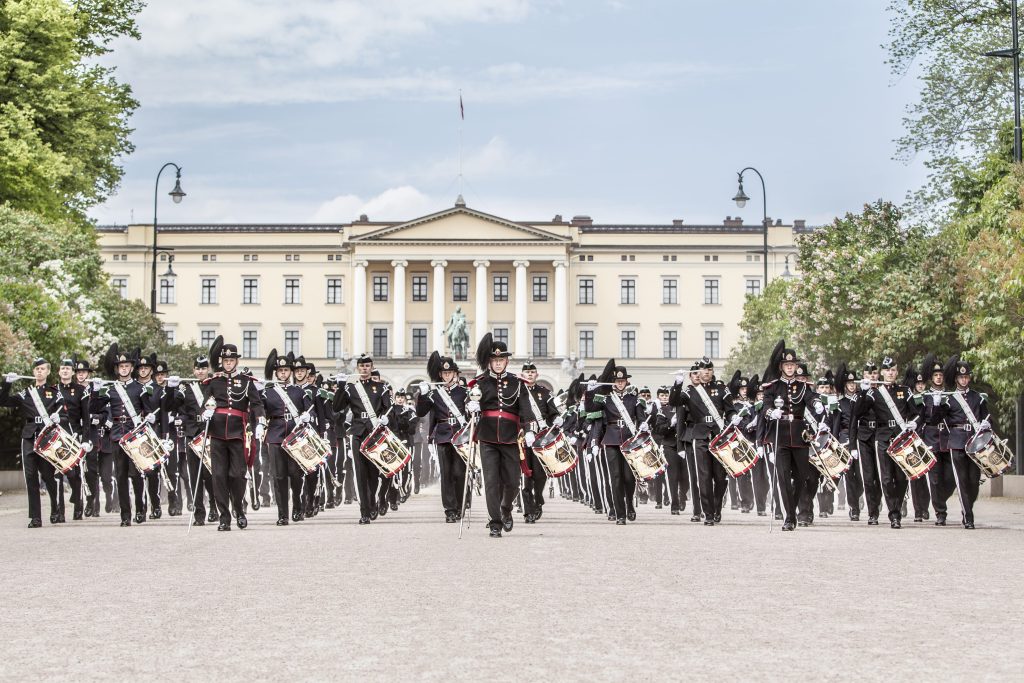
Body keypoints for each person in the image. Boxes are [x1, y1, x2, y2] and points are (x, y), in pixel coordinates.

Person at [466, 334, 537, 537]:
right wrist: (470, 406)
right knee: (491, 481)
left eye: (501, 360)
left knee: (513, 481)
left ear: (507, 361)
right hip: (487, 437)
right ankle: (495, 521)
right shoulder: (479, 383)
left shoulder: (517, 383)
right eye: (494, 360)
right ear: (490, 361)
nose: (498, 363)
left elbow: (525, 409)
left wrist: (530, 430)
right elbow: (470, 407)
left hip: (510, 437)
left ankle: (506, 508)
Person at [1, 360, 76, 527]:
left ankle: (55, 509)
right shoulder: (26, 393)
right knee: (31, 478)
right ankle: (35, 517)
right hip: (29, 436)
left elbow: (65, 415)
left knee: (49, 477)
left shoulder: (54, 392)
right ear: (34, 372)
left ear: (48, 372)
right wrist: (6, 384)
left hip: (47, 437)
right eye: (37, 369)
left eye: (42, 369)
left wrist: (59, 418)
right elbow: (3, 401)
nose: (39, 372)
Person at [759, 343, 825, 532]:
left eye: (793, 365)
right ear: (781, 366)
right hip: (780, 435)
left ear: (796, 366)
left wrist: (817, 404)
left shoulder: (803, 387)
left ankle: (792, 509)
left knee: (801, 476)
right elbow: (765, 407)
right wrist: (772, 412)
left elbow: (810, 398)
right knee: (783, 479)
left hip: (799, 435)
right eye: (786, 365)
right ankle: (789, 516)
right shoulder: (772, 386)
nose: (790, 367)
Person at [202, 339, 266, 531]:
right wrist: (204, 412)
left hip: (239, 433)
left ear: (236, 361)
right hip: (218, 433)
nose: (228, 363)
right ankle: (224, 517)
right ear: (221, 361)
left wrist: (260, 422)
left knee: (237, 475)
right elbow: (205, 403)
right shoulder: (213, 383)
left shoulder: (247, 382)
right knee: (219, 476)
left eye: (231, 360)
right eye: (225, 360)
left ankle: (238, 507)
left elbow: (256, 403)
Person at [852, 356, 919, 529]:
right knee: (886, 478)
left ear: (897, 372)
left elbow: (916, 413)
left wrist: (914, 422)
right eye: (887, 370)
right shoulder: (875, 393)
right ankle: (894, 515)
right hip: (882, 437)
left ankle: (896, 506)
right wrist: (863, 392)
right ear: (882, 372)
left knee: (902, 478)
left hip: (901, 438)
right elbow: (858, 411)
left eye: (893, 370)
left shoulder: (905, 391)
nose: (890, 373)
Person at [669, 357, 735, 526]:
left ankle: (717, 506)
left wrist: (734, 417)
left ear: (712, 371)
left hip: (718, 436)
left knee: (720, 478)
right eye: (703, 369)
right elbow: (674, 402)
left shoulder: (721, 388)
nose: (706, 372)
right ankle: (709, 513)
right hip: (700, 436)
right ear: (698, 372)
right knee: (703, 477)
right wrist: (677, 384)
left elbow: (730, 409)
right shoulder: (690, 391)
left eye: (709, 369)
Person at [332, 354, 393, 525]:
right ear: (357, 368)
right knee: (360, 473)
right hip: (358, 432)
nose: (364, 369)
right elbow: (337, 407)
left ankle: (372, 501)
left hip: (374, 433)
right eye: (361, 366)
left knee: (373, 473)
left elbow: (389, 409)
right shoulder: (351, 388)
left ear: (371, 367)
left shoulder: (381, 387)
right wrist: (341, 387)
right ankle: (364, 511)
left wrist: (386, 419)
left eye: (367, 366)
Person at [585, 361, 648, 526]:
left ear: (627, 381)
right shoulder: (606, 397)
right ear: (613, 381)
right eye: (617, 380)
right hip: (612, 439)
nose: (620, 383)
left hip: (629, 439)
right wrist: (590, 392)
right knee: (616, 477)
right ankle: (620, 513)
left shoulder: (633, 398)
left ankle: (629, 505)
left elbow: (640, 416)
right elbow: (591, 410)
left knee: (629, 477)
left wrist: (642, 424)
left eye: (623, 380)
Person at [261, 350, 313, 525]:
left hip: (295, 435)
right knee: (279, 476)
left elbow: (309, 409)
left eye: (286, 370)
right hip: (275, 434)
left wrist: (307, 416)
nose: (283, 373)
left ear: (290, 372)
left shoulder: (298, 391)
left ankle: (297, 506)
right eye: (280, 371)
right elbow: (261, 411)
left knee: (295, 474)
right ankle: (283, 514)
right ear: (276, 372)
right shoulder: (268, 392)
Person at [416, 352, 469, 522]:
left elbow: (471, 415)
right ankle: (450, 510)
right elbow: (421, 412)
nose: (447, 376)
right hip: (443, 436)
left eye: (450, 373)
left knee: (460, 473)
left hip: (460, 436)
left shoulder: (464, 392)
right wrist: (423, 395)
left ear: (455, 374)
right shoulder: (434, 394)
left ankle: (460, 505)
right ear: (440, 374)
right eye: (444, 373)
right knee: (446, 474)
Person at [944, 360, 988, 529]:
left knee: (973, 481)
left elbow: (986, 417)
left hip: (975, 442)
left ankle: (968, 506)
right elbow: (940, 420)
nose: (964, 380)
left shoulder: (978, 397)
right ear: (956, 379)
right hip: (957, 441)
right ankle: (968, 515)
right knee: (961, 480)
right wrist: (936, 404)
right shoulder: (949, 399)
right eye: (961, 377)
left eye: (966, 377)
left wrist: (986, 424)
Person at [520, 361, 559, 523]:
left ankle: (538, 500)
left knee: (540, 474)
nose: (530, 374)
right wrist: (524, 429)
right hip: (523, 438)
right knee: (527, 474)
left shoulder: (545, 393)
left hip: (541, 438)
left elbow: (552, 413)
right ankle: (528, 511)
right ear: (523, 375)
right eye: (527, 372)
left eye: (533, 372)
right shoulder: (518, 393)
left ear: (537, 374)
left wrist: (557, 419)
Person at [53, 358, 87, 520]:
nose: (65, 371)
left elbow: (85, 417)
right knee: (58, 473)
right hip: (58, 434)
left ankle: (78, 504)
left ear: (72, 372)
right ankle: (59, 511)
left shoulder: (80, 390)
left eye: (68, 368)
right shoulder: (53, 389)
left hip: (75, 433)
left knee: (74, 473)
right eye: (62, 368)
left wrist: (85, 437)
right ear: (59, 372)